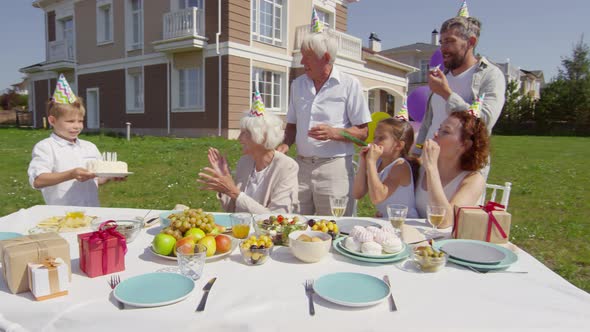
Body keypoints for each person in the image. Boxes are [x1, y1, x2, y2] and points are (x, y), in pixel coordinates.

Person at [277, 31, 371, 216]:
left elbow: (363, 133)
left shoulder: (349, 84)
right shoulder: (297, 85)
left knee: (335, 227)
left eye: (307, 57)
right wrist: (284, 145)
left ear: (326, 57)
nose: (302, 62)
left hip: (334, 169)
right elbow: (292, 127)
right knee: (297, 224)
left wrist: (335, 133)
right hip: (301, 167)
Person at [412, 16, 505, 178]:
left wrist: (447, 94)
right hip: (429, 164)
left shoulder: (490, 75)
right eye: (441, 42)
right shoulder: (442, 76)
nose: (443, 48)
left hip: (464, 169)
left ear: (471, 42)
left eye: (449, 41)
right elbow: (428, 123)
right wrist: (416, 153)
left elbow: (484, 121)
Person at [198, 93, 299, 214]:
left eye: (244, 133)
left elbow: (278, 218)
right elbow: (232, 210)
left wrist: (233, 191)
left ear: (261, 137)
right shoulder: (244, 162)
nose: (238, 138)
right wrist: (225, 183)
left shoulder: (287, 167)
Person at [27, 74, 115, 207]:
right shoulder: (46, 147)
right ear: (52, 120)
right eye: (70, 121)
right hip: (61, 215)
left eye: (80, 121)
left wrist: (111, 176)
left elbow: (97, 179)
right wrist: (71, 174)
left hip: (92, 212)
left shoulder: (89, 147)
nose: (77, 126)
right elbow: (38, 180)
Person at [415, 111, 489, 228]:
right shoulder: (420, 167)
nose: (435, 134)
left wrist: (432, 168)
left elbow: (445, 221)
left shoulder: (473, 180)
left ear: (465, 145)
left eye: (446, 131)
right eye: (440, 129)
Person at [352, 116, 419, 219]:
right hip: (387, 220)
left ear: (398, 146)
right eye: (375, 137)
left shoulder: (400, 166)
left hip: (405, 223)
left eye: (381, 138)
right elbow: (358, 193)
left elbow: (377, 197)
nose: (374, 142)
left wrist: (371, 162)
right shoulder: (378, 163)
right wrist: (363, 161)